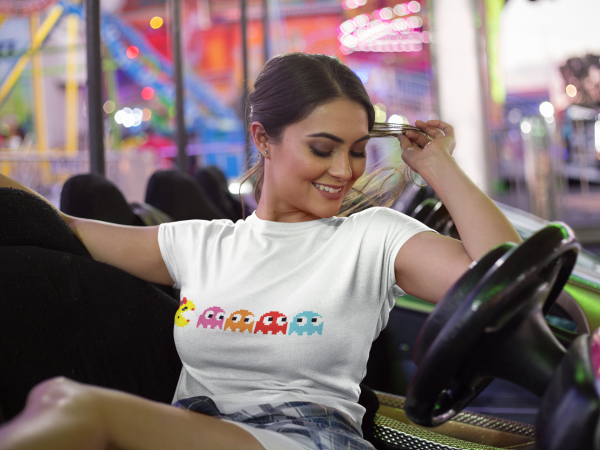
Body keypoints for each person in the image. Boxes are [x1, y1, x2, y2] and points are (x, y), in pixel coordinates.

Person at [0, 52, 521, 450]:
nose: (344, 170)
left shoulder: (374, 237)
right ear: (263, 139)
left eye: (358, 151)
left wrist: (439, 165)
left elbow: (510, 278)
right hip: (199, 429)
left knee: (74, 406)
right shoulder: (200, 243)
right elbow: (59, 223)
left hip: (309, 437)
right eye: (323, 148)